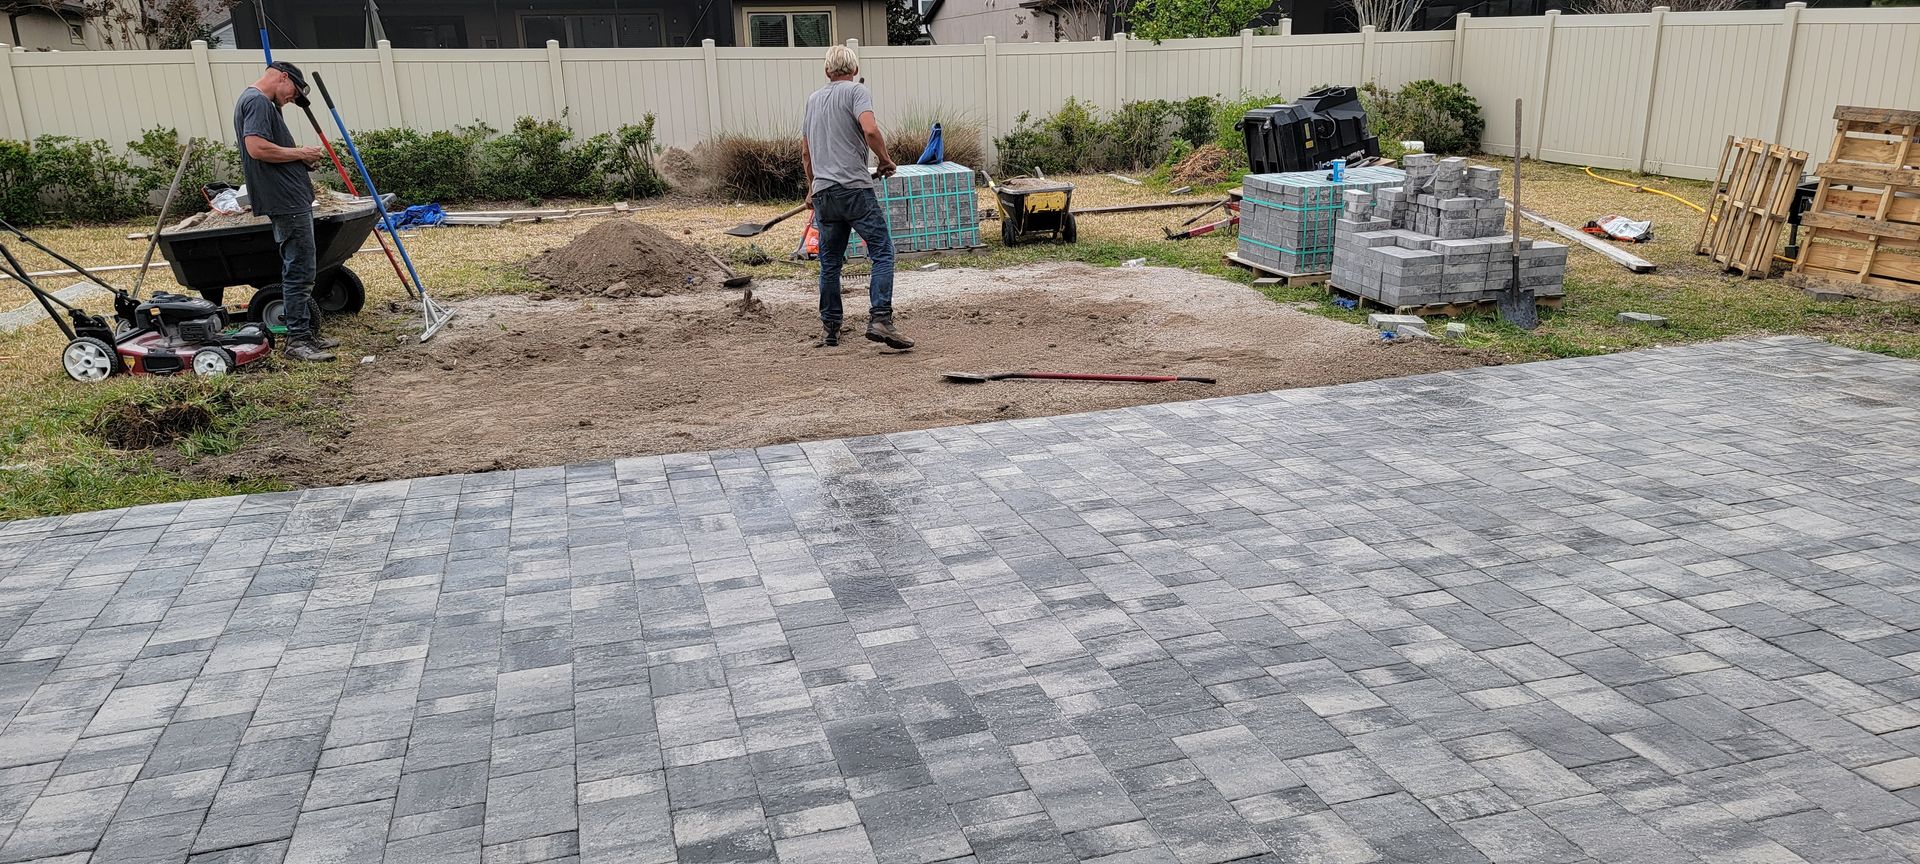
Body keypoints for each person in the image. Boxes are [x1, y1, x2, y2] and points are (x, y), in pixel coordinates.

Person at [801, 46, 913, 350]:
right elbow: (870, 130)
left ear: (827, 71)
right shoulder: (856, 92)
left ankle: (830, 328)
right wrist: (885, 160)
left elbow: (806, 153)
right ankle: (880, 318)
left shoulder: (813, 100)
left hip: (825, 194)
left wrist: (812, 188)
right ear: (855, 69)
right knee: (882, 251)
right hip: (854, 190)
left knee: (830, 263)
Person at [235, 61, 336, 362]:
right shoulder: (257, 101)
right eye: (294, 92)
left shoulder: (262, 103)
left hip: (288, 197)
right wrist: (301, 152)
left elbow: (271, 151)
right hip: (285, 200)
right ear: (282, 77)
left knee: (301, 266)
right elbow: (257, 148)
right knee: (300, 268)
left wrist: (300, 160)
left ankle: (305, 333)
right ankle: (298, 340)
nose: (292, 99)